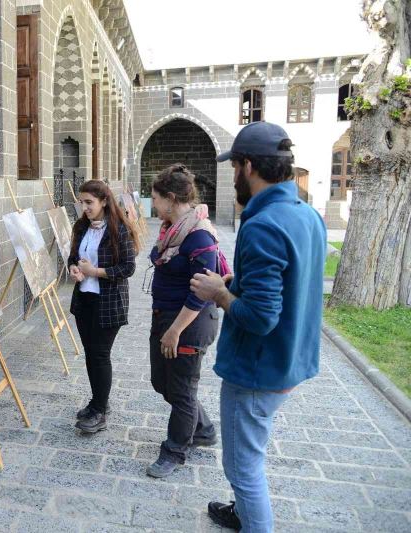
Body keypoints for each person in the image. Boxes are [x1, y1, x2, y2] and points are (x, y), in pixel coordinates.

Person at [191, 122, 326, 532]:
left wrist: (219, 292)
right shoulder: (307, 214)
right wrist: (238, 284)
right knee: (251, 453)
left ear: (248, 166)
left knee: (243, 468)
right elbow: (288, 286)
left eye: (234, 166)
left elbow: (262, 317)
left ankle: (254, 522)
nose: (233, 175)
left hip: (257, 370)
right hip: (289, 362)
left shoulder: (263, 224)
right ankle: (242, 513)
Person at [145, 163, 223, 479]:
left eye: (156, 198)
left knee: (181, 389)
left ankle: (175, 450)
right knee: (161, 383)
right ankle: (202, 429)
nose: (153, 205)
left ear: (172, 198)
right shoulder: (170, 231)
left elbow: (202, 292)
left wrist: (176, 330)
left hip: (190, 324)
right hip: (164, 317)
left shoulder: (199, 235)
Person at [68, 179, 140, 433]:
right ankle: (98, 401)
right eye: (82, 202)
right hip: (84, 300)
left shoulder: (119, 229)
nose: (85, 207)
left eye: (89, 202)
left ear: (104, 201)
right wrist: (75, 269)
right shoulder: (81, 227)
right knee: (91, 354)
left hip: (108, 302)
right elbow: (73, 257)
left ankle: (99, 411)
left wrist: (95, 271)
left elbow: (128, 268)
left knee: (100, 355)